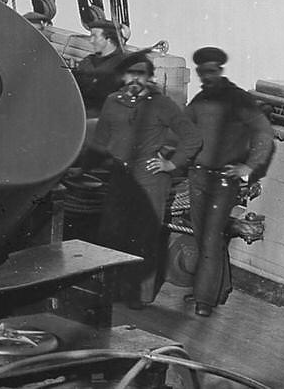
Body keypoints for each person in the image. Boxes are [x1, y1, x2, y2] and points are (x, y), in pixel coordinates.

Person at [86, 53, 201, 309]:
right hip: (120, 179)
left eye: (142, 74)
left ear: (149, 78)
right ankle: (114, 289)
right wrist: (85, 168)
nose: (135, 79)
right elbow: (100, 141)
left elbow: (192, 137)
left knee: (144, 237)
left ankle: (141, 294)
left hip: (150, 180)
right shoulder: (112, 102)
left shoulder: (162, 105)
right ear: (123, 77)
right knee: (114, 235)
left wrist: (171, 164)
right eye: (131, 74)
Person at [185, 46, 275, 317]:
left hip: (223, 181)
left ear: (220, 71)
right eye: (202, 72)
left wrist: (248, 167)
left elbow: (265, 133)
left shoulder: (239, 99)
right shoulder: (200, 100)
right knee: (204, 238)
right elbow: (181, 129)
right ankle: (216, 288)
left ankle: (204, 300)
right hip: (198, 176)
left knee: (211, 238)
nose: (206, 77)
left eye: (211, 71)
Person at [72, 19, 130, 118]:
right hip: (78, 114)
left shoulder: (124, 66)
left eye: (94, 36)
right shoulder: (87, 62)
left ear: (109, 39)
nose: (91, 41)